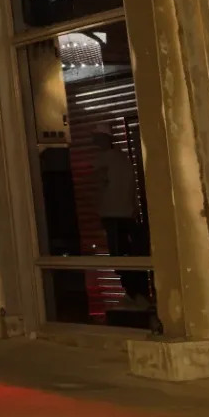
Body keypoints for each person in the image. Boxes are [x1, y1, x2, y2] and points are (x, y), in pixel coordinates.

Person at [94, 130, 150, 309]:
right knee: (130, 254)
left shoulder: (103, 161)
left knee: (119, 255)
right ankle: (138, 293)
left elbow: (99, 187)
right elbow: (132, 187)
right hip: (128, 214)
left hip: (113, 214)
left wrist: (100, 211)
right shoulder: (124, 159)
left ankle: (134, 294)